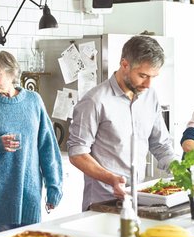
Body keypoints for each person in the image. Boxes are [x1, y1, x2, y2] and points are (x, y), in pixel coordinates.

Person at [67, 35, 176, 211]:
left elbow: (160, 145)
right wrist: (111, 179)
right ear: (125, 65)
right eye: (143, 75)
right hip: (103, 202)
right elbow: (77, 153)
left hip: (139, 200)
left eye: (153, 77)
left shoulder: (150, 96)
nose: (148, 84)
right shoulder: (95, 101)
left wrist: (180, 169)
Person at [0, 51, 63, 233]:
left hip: (30, 193)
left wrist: (54, 186)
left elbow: (48, 147)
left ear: (12, 74)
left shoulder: (34, 101)